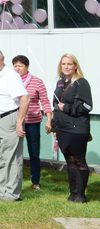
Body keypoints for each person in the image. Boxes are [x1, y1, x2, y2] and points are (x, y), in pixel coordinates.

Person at [0, 48, 30, 201]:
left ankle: (12, 193)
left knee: (12, 158)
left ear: (2, 59)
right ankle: (1, 191)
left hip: (8, 120)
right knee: (0, 159)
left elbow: (25, 98)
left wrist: (19, 122)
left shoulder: (10, 75)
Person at [49, 54, 93, 203]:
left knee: (79, 160)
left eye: (69, 64)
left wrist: (66, 107)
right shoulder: (60, 82)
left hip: (77, 128)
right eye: (63, 64)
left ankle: (81, 194)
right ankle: (73, 193)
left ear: (75, 66)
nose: (66, 67)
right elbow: (55, 105)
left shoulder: (81, 82)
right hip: (63, 128)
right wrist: (54, 126)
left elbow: (87, 106)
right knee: (70, 161)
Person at [12, 55, 52, 191]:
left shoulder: (37, 82)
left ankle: (35, 181)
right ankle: (15, 179)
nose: (17, 68)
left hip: (33, 122)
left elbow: (45, 101)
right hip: (15, 121)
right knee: (14, 153)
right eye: (15, 66)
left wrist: (49, 119)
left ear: (27, 67)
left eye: (20, 66)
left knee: (34, 152)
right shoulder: (11, 81)